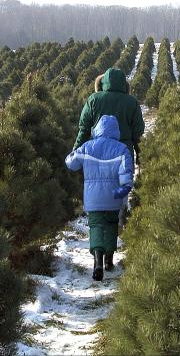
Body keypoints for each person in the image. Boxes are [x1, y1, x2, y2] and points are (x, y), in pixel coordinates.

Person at [66, 115, 133, 281]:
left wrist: (73, 152)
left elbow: (71, 164)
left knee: (96, 226)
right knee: (111, 225)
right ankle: (109, 260)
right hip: (113, 196)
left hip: (93, 198)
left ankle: (97, 261)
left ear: (97, 129)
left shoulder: (88, 147)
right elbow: (126, 175)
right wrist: (123, 190)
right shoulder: (122, 149)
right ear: (116, 131)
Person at [74, 67, 145, 166]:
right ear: (124, 84)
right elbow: (138, 133)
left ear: (103, 82)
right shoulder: (132, 102)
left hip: (97, 155)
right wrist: (140, 155)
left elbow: (84, 130)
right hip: (123, 155)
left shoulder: (93, 99)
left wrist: (76, 152)